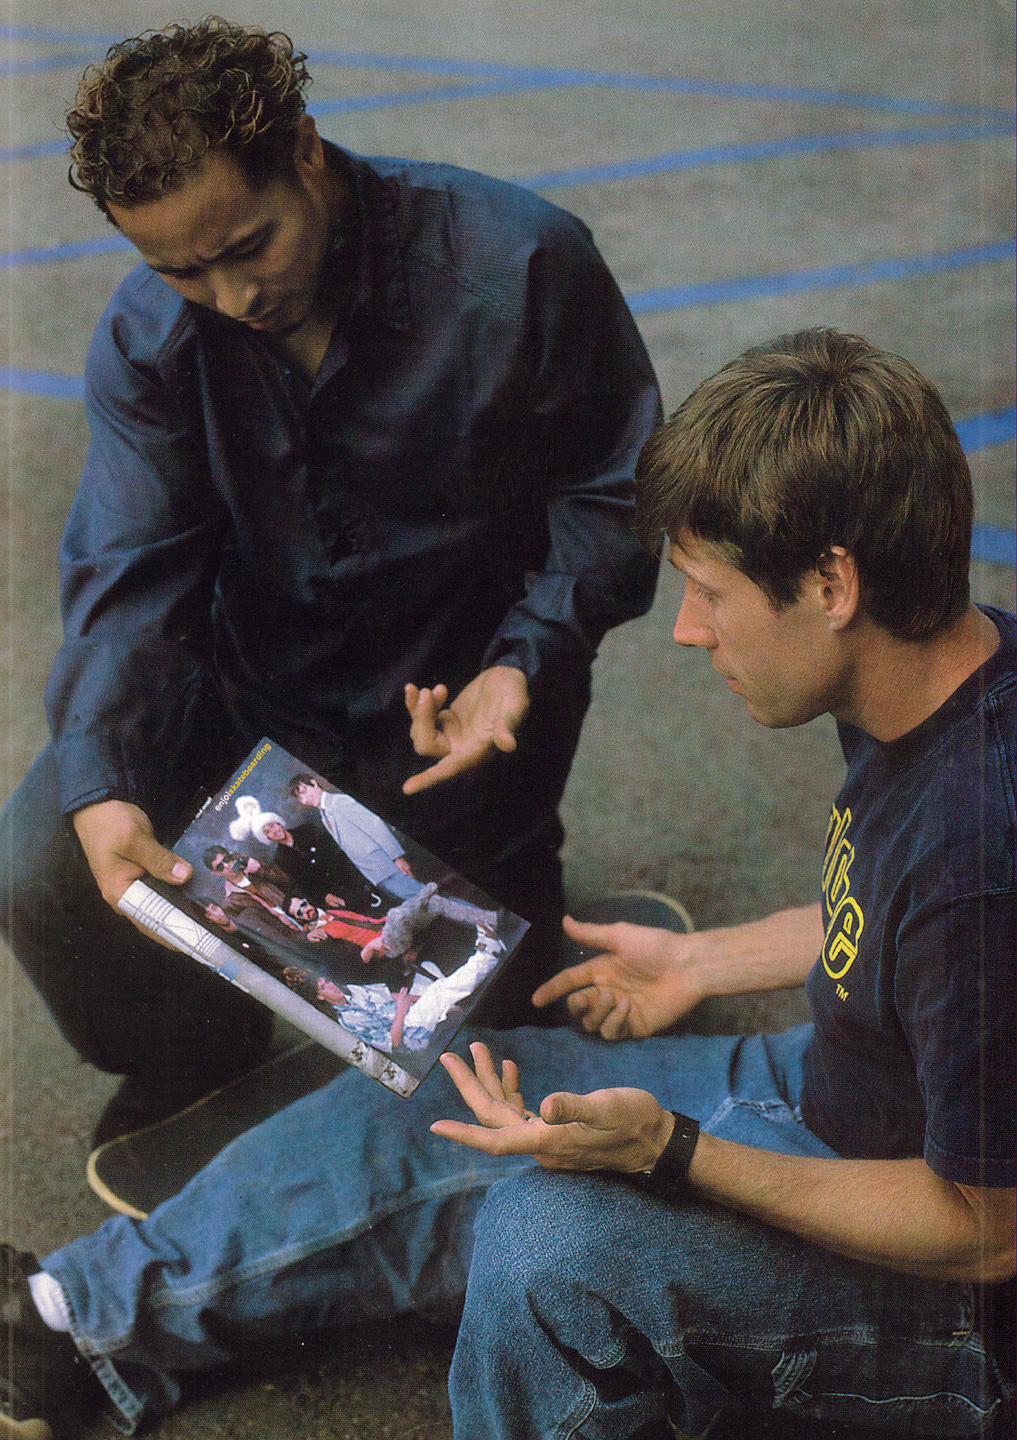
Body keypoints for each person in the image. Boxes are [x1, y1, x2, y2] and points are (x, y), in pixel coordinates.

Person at [4, 329, 1012, 1440]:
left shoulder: (984, 856)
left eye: (710, 593)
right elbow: (913, 928)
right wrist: (706, 958)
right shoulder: (954, 671)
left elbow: (987, 1229)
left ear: (832, 584)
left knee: (547, 1251)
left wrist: (676, 1156)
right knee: (464, 1086)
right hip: (842, 1089)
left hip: (960, 1303)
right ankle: (62, 1323)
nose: (686, 632)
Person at [0, 15, 661, 1143]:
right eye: (179, 267)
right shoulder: (153, 331)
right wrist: (108, 779)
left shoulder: (520, 263)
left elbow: (611, 494)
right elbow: (130, 572)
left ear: (305, 147)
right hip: (250, 704)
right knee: (46, 861)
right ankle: (196, 1046)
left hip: (454, 733)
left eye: (248, 246)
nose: (230, 296)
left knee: (486, 1102)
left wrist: (525, 661)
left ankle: (510, 924)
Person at [287, 774, 425, 903]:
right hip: (373, 872)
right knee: (415, 901)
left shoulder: (339, 802)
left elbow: (375, 826)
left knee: (422, 896)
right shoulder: (323, 815)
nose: (304, 800)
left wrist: (396, 857)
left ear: (313, 783)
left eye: (304, 792)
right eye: (300, 798)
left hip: (384, 863)